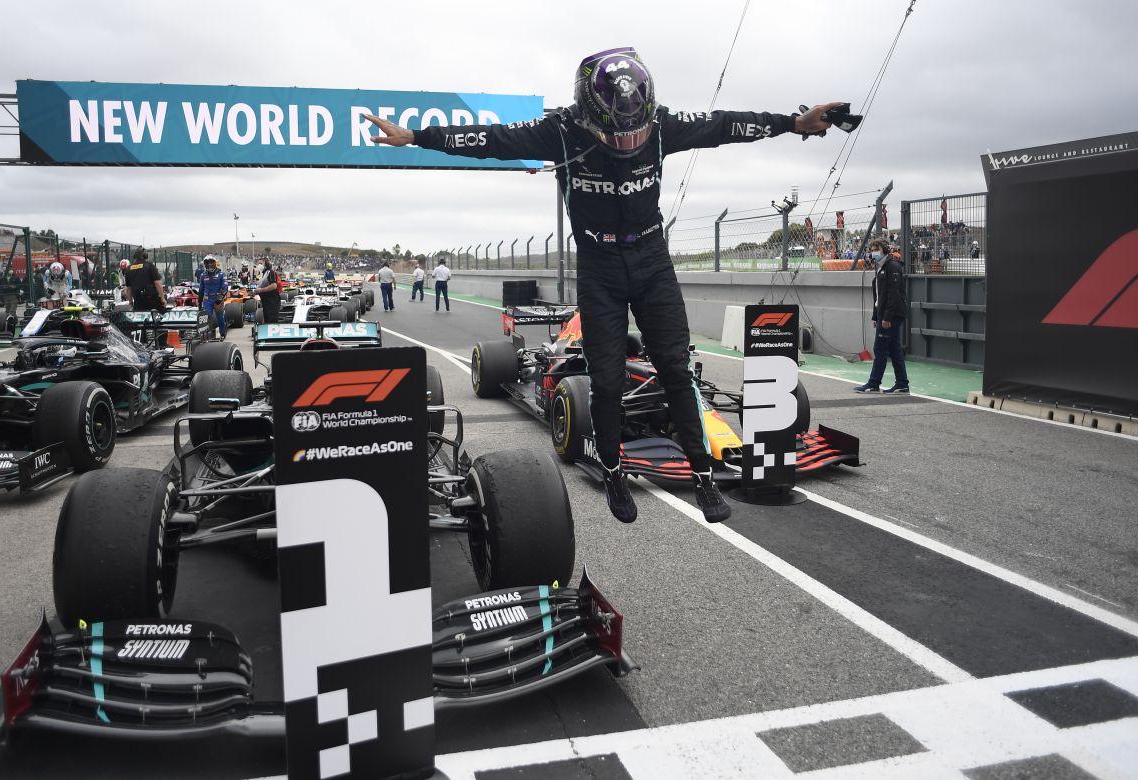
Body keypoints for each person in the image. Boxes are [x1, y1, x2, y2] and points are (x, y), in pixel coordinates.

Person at [364, 46, 847, 524]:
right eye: (617, 133)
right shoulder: (559, 130)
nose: (628, 141)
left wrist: (794, 123)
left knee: (676, 370)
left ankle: (703, 477)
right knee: (608, 378)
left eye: (636, 130)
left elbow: (725, 125)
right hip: (599, 263)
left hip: (652, 258)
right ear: (590, 113)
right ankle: (614, 471)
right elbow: (488, 138)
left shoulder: (662, 125)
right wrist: (414, 136)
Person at [855, 240, 909, 394]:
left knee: (879, 348)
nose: (873, 252)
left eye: (876, 249)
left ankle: (873, 383)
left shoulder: (892, 267)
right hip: (884, 314)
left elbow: (893, 295)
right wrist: (875, 315)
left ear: (884, 250)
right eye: (871, 249)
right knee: (894, 349)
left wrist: (886, 318)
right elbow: (879, 296)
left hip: (891, 315)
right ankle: (902, 384)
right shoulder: (880, 267)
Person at [198, 254, 229, 339]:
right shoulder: (203, 275)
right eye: (207, 263)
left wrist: (220, 298)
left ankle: (222, 334)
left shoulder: (222, 274)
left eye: (211, 262)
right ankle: (208, 335)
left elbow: (225, 287)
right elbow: (201, 290)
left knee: (220, 318)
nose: (209, 264)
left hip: (218, 299)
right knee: (207, 317)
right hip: (207, 300)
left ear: (215, 263)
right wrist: (199, 302)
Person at [254, 257, 281, 325]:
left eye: (261, 263)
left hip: (272, 301)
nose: (259, 265)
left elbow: (274, 285)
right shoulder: (263, 274)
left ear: (266, 264)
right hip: (266, 301)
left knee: (271, 321)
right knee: (267, 320)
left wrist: (261, 290)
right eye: (258, 264)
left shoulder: (270, 272)